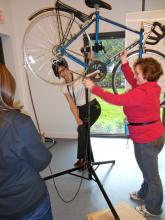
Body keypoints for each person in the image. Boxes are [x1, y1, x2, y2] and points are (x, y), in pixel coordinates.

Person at [83, 50, 165, 217]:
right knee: (148, 171)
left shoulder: (141, 93)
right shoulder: (151, 86)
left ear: (147, 76)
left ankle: (153, 209)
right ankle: (144, 193)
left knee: (152, 175)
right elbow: (131, 79)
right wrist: (125, 62)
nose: (134, 76)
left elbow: (117, 100)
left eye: (137, 74)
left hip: (146, 139)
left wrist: (94, 88)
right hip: (153, 136)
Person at [0, 64, 53, 220]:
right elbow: (42, 161)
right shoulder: (18, 123)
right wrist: (39, 142)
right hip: (27, 203)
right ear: (6, 88)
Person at [52, 57, 101, 168]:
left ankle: (82, 158)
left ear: (67, 67)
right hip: (82, 110)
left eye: (63, 69)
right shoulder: (64, 86)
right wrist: (77, 118)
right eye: (59, 72)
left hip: (93, 107)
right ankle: (88, 160)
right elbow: (72, 104)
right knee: (84, 131)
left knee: (82, 129)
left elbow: (96, 75)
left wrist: (92, 62)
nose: (63, 73)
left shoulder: (79, 74)